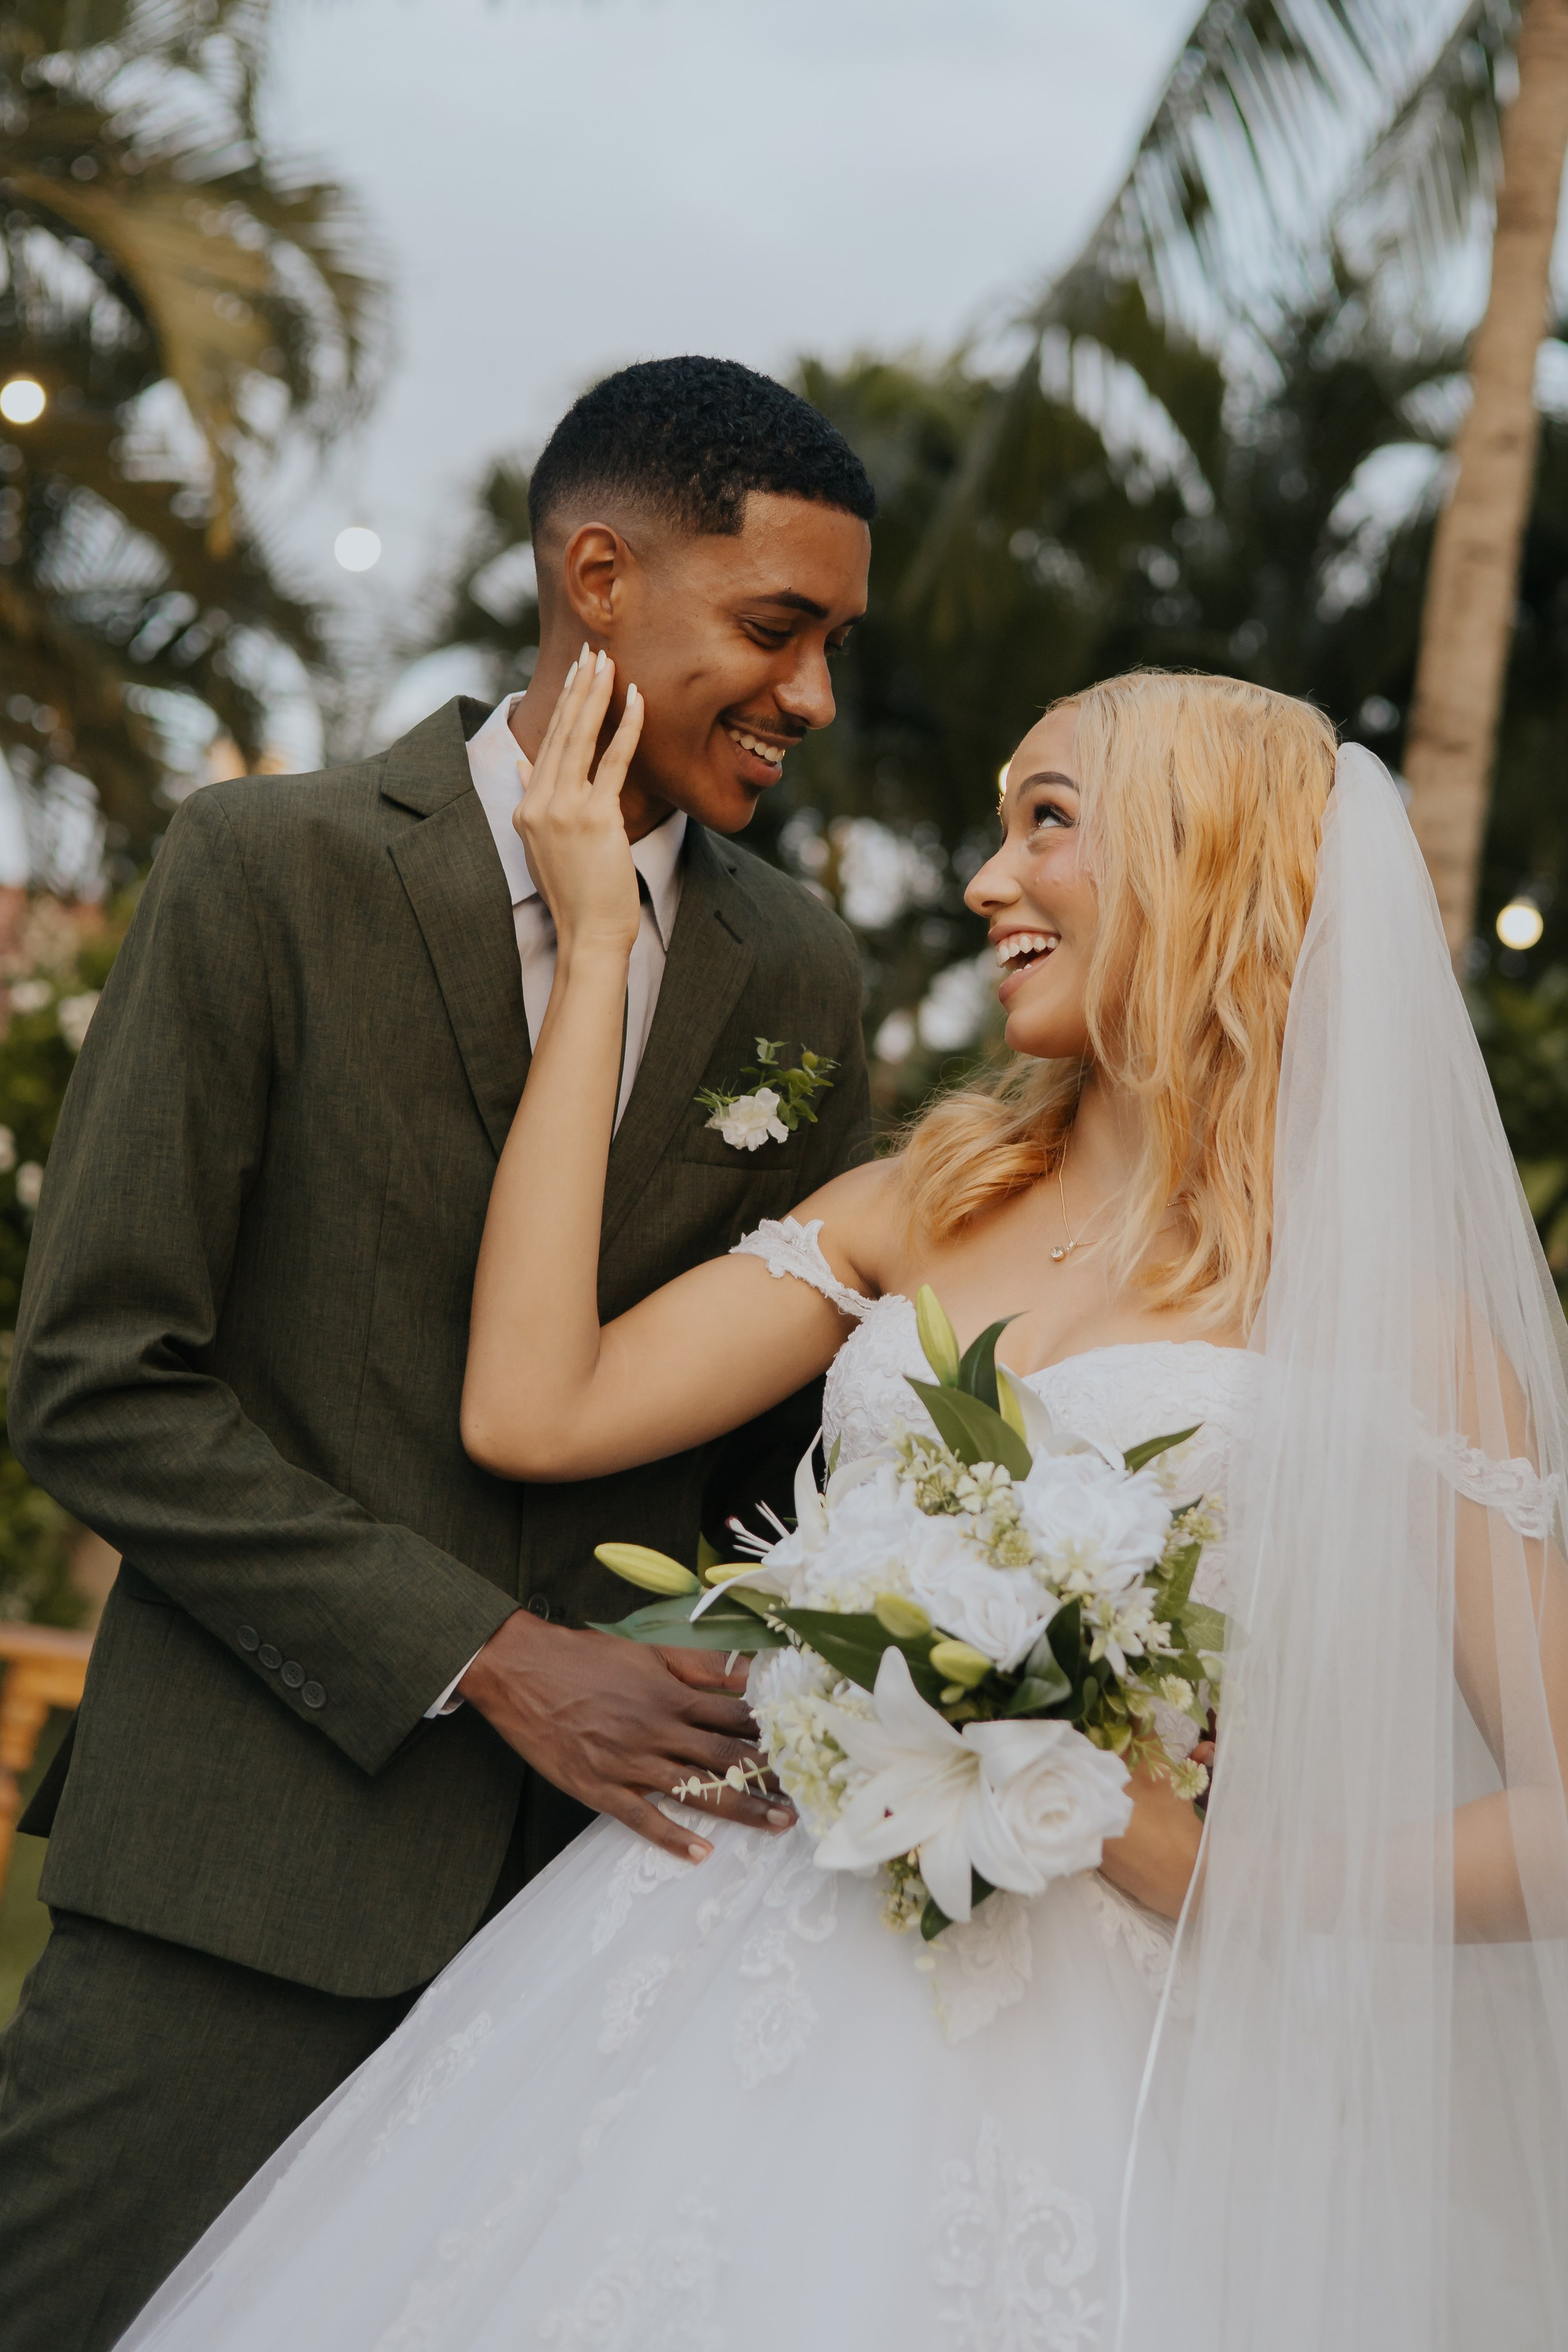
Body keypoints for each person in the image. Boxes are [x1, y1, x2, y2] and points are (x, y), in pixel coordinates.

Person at [111, 664, 1568, 2351]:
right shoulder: (916, 1207)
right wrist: (597, 952)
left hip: (1120, 2052)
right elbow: (532, 1404)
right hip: (719, 1979)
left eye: (1049, 825)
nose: (987, 883)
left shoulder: (1390, 1319)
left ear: (1199, 863)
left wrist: (1222, 1873)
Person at [0, 356, 878, 2351]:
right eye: (773, 630)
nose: (812, 697)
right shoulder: (266, 870)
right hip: (242, 1885)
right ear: (597, 578)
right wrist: (483, 1656)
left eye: (832, 645)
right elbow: (98, 1377)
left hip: (609, 1921)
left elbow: (776, 1449)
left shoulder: (805, 972)